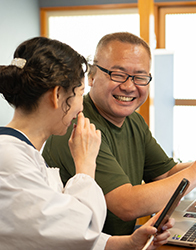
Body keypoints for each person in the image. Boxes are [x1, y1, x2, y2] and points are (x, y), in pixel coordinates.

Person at [42, 32, 196, 236]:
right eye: (118, 74)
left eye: (140, 77)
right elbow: (126, 205)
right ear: (92, 76)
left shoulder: (134, 120)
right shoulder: (77, 128)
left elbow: (168, 174)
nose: (129, 86)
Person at [0, 36, 174, 250]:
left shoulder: (23, 154)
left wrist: (128, 243)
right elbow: (80, 229)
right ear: (57, 96)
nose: (81, 108)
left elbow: (61, 231)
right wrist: (85, 165)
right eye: (80, 94)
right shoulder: (9, 159)